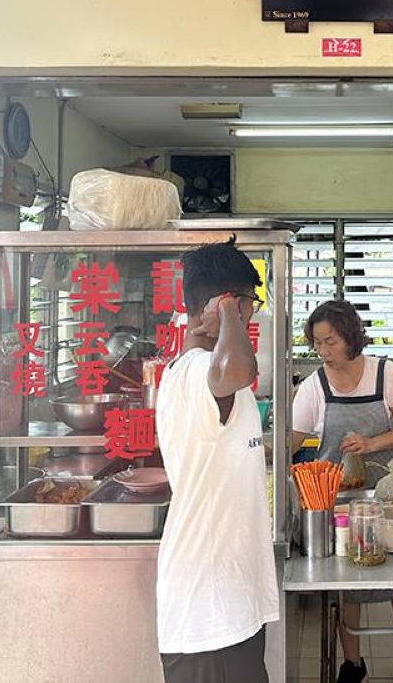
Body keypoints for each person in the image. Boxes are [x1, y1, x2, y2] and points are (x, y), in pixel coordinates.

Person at [156, 241, 280, 683]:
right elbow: (236, 371)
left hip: (226, 603)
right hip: (209, 609)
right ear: (231, 301)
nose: (252, 313)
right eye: (250, 302)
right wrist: (229, 312)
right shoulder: (196, 371)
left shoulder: (199, 371)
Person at [291, 299, 393, 683]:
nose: (323, 351)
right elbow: (293, 438)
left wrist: (370, 443)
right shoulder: (314, 385)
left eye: (330, 341)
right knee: (346, 584)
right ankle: (353, 664)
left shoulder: (385, 373)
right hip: (338, 497)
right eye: (317, 343)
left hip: (388, 492)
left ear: (351, 337)